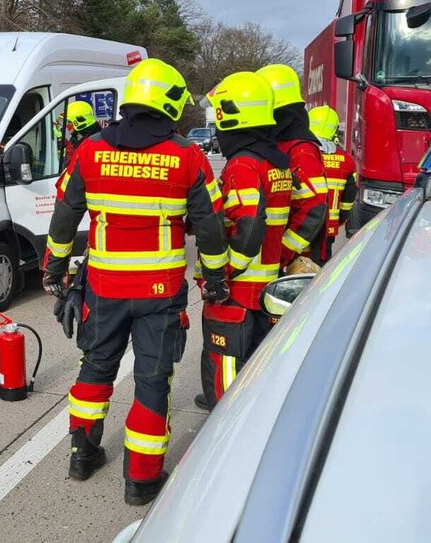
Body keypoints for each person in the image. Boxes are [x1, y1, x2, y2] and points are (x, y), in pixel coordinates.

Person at [43, 58, 228, 505]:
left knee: (95, 368)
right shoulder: (187, 155)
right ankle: (141, 481)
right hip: (159, 295)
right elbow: (210, 224)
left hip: (104, 289)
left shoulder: (89, 150)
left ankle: (82, 456)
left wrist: (55, 269)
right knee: (152, 379)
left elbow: (65, 216)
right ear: (167, 103)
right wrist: (215, 277)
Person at [195, 72, 292, 411]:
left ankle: (222, 444)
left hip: (238, 292)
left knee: (225, 370)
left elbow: (249, 228)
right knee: (256, 366)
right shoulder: (276, 162)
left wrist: (221, 275)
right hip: (266, 285)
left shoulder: (243, 165)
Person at [257, 64, 327, 270]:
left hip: (296, 262)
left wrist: (283, 251)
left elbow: (314, 205)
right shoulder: (283, 142)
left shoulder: (299, 149)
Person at [307, 105, 357, 265]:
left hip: (300, 226)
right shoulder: (347, 161)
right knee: (320, 271)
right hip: (328, 229)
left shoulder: (302, 155)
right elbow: (349, 200)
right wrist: (339, 220)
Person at [62, 100, 101, 167]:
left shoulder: (91, 143)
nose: (67, 125)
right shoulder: (77, 137)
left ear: (79, 121)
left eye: (69, 121)